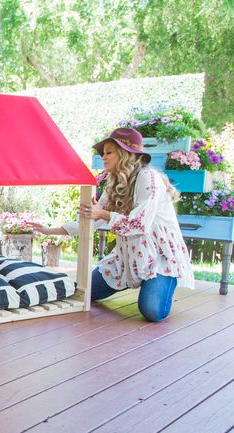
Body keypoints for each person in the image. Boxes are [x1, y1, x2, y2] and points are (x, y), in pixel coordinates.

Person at [31, 127, 194, 322]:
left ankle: (161, 283)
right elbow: (95, 218)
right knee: (84, 292)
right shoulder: (115, 181)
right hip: (128, 256)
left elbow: (140, 223)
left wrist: (105, 214)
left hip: (158, 255)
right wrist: (49, 230)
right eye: (102, 154)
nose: (103, 157)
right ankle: (137, 279)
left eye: (109, 152)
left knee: (152, 311)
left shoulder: (149, 178)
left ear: (125, 153)